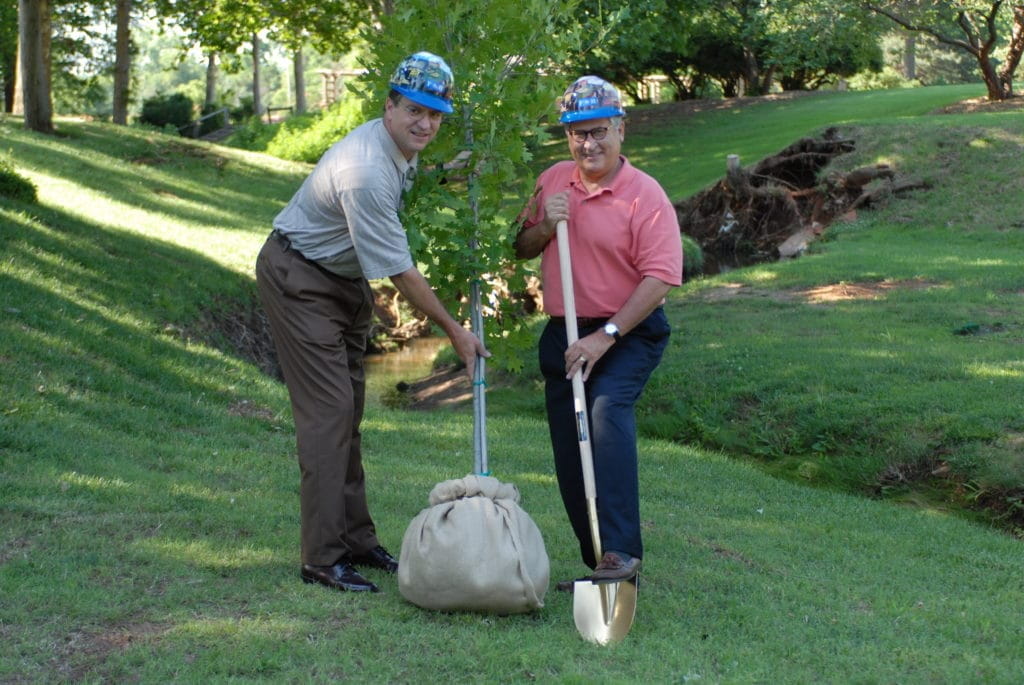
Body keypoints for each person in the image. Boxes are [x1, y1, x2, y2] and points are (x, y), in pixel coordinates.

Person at [256, 51, 489, 593]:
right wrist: (454, 331)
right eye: (414, 110)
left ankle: (356, 542)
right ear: (389, 105)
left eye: (435, 114)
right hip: (299, 280)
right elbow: (402, 274)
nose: (426, 123)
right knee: (328, 416)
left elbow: (408, 180)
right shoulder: (363, 170)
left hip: (342, 282)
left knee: (349, 414)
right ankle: (321, 559)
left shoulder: (397, 149)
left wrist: (448, 176)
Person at [514, 75, 682, 586]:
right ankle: (600, 561)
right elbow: (520, 245)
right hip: (565, 332)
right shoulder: (551, 181)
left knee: (605, 415)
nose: (588, 143)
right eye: (577, 133)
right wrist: (545, 226)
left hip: (625, 331)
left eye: (599, 132)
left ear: (620, 130)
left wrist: (605, 335)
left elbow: (661, 278)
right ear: (567, 136)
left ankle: (622, 552)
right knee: (569, 443)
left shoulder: (644, 195)